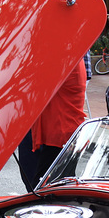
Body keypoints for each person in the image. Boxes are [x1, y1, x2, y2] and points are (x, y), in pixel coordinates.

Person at [17, 58, 87, 191]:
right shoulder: (68, 58)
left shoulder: (65, 60)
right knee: (44, 188)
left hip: (59, 136)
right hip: (54, 134)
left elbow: (29, 83)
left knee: (44, 191)